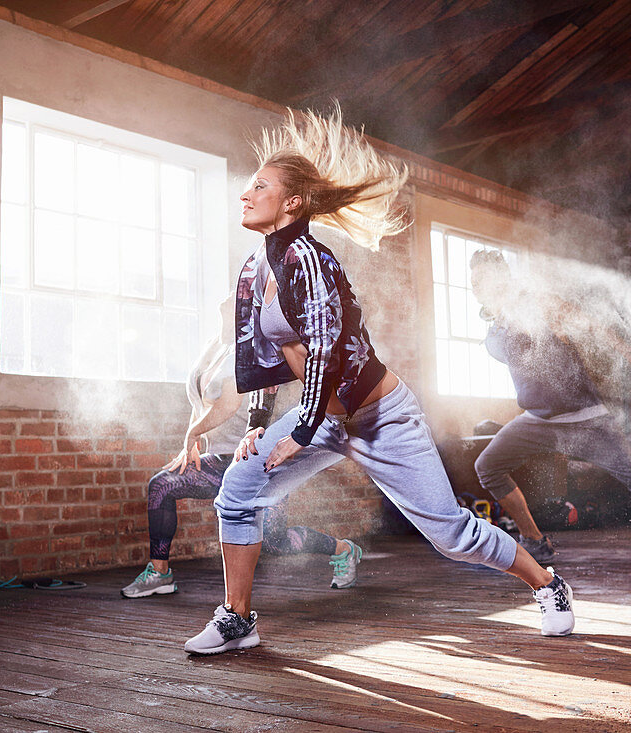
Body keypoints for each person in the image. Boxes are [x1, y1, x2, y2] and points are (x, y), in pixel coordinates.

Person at [183, 107, 574, 655]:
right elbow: (264, 360)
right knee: (238, 493)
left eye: (259, 186)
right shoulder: (254, 270)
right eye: (246, 187)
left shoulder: (311, 260)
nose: (244, 196)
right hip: (319, 416)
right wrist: (256, 426)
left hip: (378, 415)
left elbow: (327, 350)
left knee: (452, 535)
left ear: (292, 202)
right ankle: (237, 619)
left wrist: (302, 428)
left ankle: (548, 584)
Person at [121, 296, 362, 600]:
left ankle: (343, 550)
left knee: (275, 542)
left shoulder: (250, 351)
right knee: (162, 486)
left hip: (253, 457)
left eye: (231, 314)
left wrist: (193, 433)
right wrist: (192, 443)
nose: (226, 318)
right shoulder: (215, 347)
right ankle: (159, 573)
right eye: (222, 312)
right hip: (220, 457)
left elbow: (229, 402)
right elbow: (200, 398)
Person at [469, 250, 631, 565]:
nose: (477, 284)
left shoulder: (538, 304)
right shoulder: (495, 325)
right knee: (488, 466)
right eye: (474, 280)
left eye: (485, 276)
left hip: (585, 420)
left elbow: (594, 327)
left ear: (504, 278)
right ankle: (534, 540)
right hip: (537, 421)